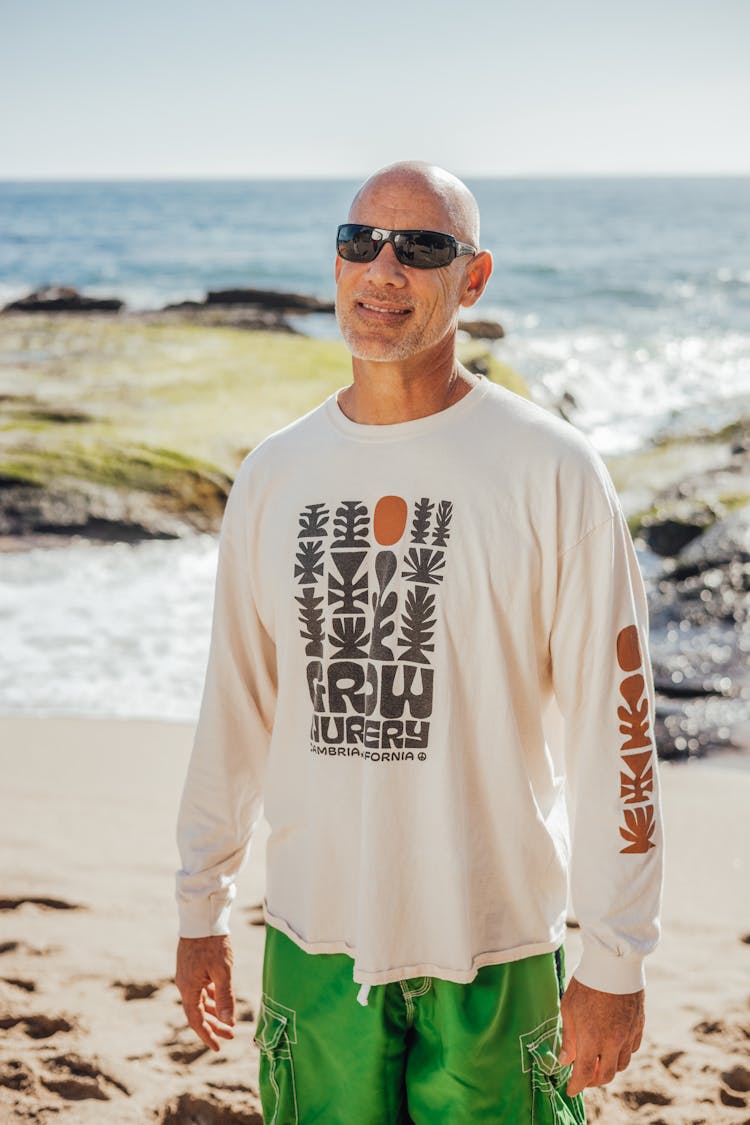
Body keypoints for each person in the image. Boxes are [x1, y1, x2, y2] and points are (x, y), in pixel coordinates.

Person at [175, 161, 664, 1124]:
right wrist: (202, 905)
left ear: (472, 279)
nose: (384, 269)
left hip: (497, 943)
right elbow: (234, 706)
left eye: (422, 248)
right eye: (362, 242)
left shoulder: (551, 470)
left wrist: (616, 955)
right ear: (337, 264)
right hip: (316, 937)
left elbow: (617, 731)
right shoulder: (276, 475)